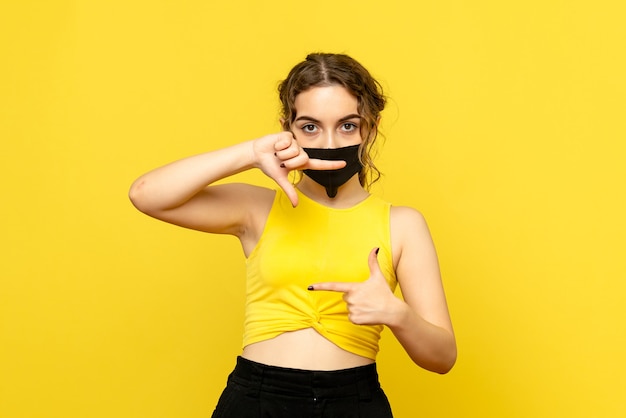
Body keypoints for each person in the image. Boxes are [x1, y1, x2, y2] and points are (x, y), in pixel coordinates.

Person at [129, 53, 456, 418]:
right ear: (288, 130)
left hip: (354, 402)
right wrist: (252, 153)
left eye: (347, 126)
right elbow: (146, 194)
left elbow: (442, 357)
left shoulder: (403, 224)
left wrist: (397, 314)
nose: (330, 144)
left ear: (370, 128)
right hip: (257, 399)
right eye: (310, 127)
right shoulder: (257, 209)